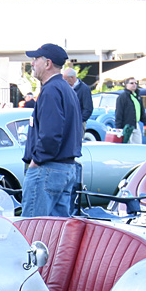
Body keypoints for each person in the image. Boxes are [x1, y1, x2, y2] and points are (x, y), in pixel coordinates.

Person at [21, 43, 82, 218]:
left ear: (47, 63)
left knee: (33, 230)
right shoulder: (66, 89)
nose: (32, 64)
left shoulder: (51, 91)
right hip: (65, 168)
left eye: (35, 59)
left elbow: (50, 134)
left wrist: (36, 161)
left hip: (47, 169)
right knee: (55, 233)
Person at [62, 67, 93, 137]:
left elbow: (88, 108)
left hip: (78, 124)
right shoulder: (65, 88)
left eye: (65, 79)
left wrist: (79, 120)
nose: (64, 81)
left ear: (72, 78)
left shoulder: (84, 89)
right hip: (66, 122)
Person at [115, 78, 145, 144]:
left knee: (138, 144)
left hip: (136, 124)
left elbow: (142, 111)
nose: (134, 85)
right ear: (126, 85)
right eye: (131, 83)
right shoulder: (122, 97)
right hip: (126, 126)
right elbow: (119, 112)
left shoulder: (137, 96)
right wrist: (118, 127)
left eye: (135, 83)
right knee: (127, 145)